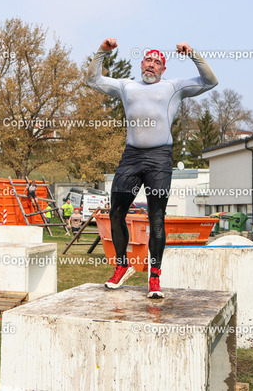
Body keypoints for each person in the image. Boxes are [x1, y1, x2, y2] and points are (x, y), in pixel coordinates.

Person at [87, 38, 217, 298]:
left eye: (157, 62)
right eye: (148, 60)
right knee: (116, 213)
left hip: (159, 158)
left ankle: (154, 277)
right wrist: (102, 51)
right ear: (141, 64)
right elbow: (93, 80)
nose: (152, 64)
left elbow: (210, 81)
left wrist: (192, 54)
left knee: (156, 217)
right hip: (131, 156)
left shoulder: (174, 87)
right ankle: (122, 266)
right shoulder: (126, 86)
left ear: (163, 69)